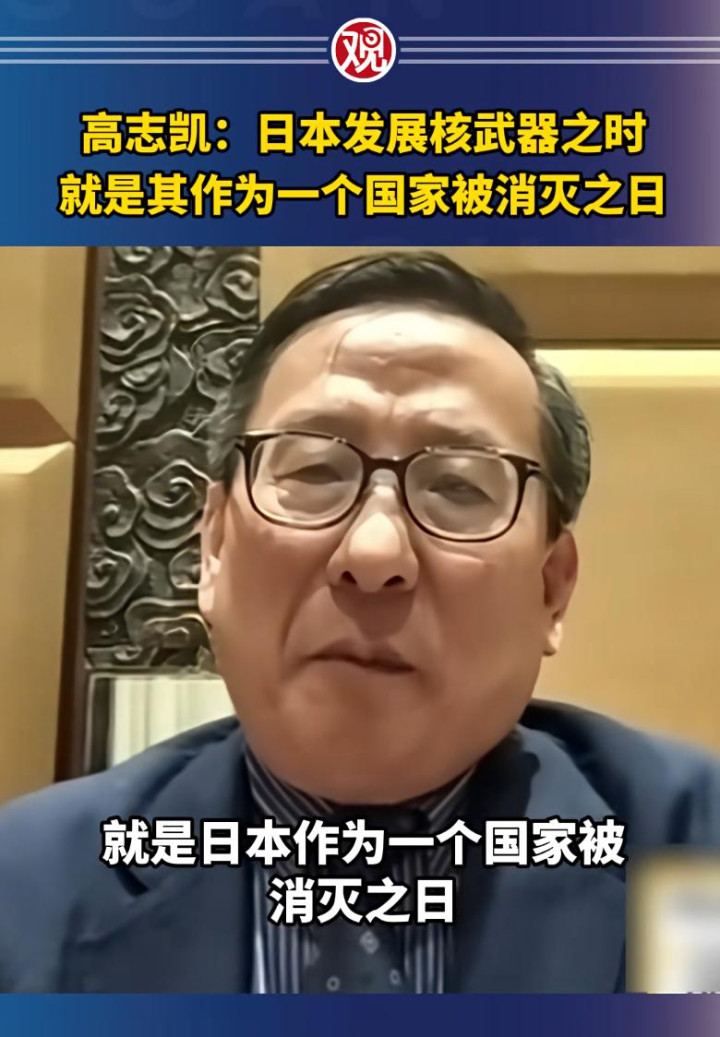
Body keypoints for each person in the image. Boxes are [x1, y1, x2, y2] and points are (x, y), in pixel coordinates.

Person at [0, 250, 718, 994]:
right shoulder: (25, 894)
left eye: (458, 487)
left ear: (551, 589)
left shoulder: (695, 861)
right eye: (314, 471)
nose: (374, 554)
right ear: (213, 548)